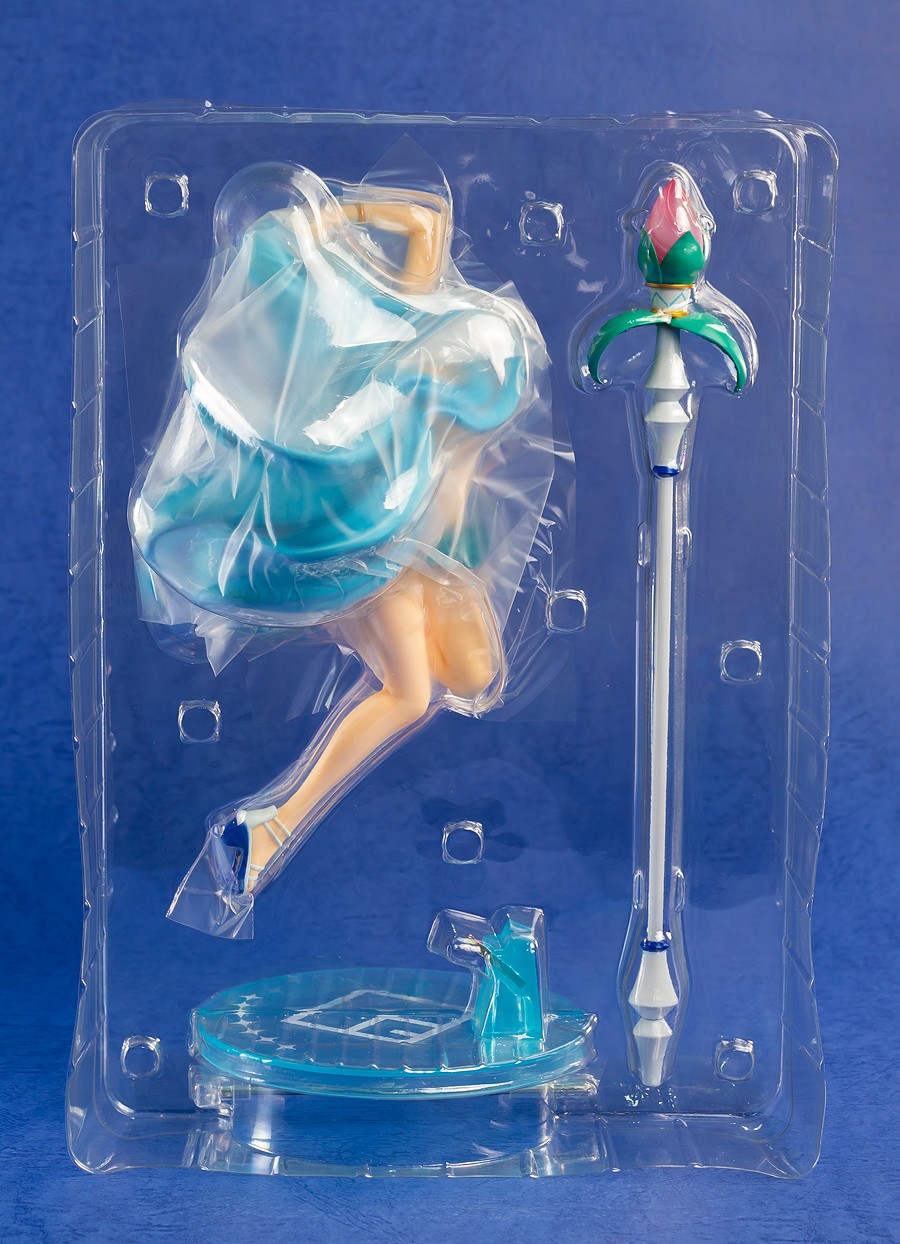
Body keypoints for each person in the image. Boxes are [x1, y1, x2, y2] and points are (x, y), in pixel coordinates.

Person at [130, 163, 551, 909]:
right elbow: (423, 228)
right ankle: (267, 829)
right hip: (379, 561)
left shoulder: (427, 353)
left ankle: (268, 827)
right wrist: (322, 225)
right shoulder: (385, 386)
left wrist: (335, 216)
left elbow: (425, 222)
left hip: (433, 561)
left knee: (474, 677)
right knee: (409, 695)